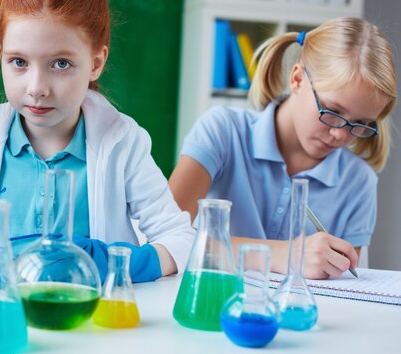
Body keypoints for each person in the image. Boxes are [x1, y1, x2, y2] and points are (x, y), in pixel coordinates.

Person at [0, 0, 194, 282]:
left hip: (91, 318)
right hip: (0, 312)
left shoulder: (124, 140)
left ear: (96, 63)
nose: (37, 88)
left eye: (61, 64)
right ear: (1, 56)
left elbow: (180, 240)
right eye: (19, 62)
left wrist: (106, 264)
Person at [170, 17, 397, 279]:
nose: (340, 134)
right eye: (332, 111)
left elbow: (347, 284)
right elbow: (171, 237)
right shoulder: (222, 130)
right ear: (298, 79)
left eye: (361, 124)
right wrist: (284, 255)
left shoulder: (359, 181)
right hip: (211, 306)